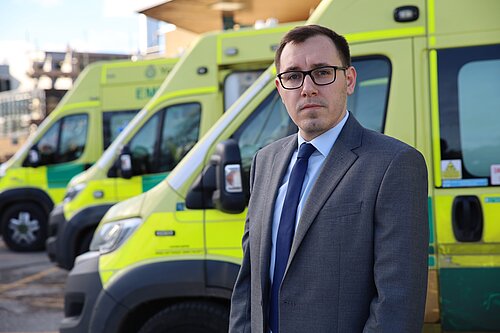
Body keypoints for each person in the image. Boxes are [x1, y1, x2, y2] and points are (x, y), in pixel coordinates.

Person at [229, 25, 429, 333]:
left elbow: (397, 305)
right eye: (293, 76)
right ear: (281, 89)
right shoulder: (264, 162)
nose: (307, 88)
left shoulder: (394, 164)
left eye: (322, 72)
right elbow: (249, 281)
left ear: (348, 80)